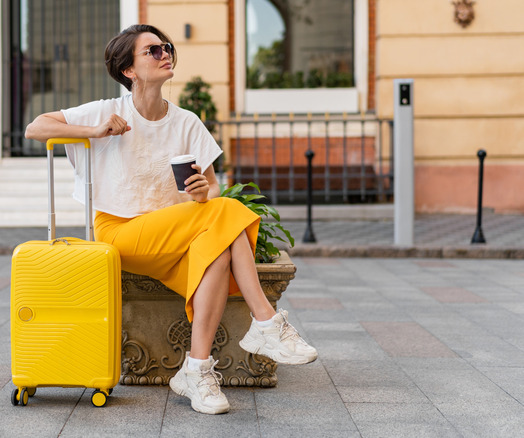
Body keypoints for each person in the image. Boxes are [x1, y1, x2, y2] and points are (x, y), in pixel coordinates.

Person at [25, 24, 317, 415]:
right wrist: (95, 131)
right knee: (228, 215)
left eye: (166, 48)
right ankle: (265, 322)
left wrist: (201, 192)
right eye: (152, 51)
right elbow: (36, 127)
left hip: (171, 236)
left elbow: (212, 189)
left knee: (219, 251)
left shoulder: (187, 123)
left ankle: (196, 370)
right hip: (120, 233)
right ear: (128, 70)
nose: (164, 54)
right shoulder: (105, 111)